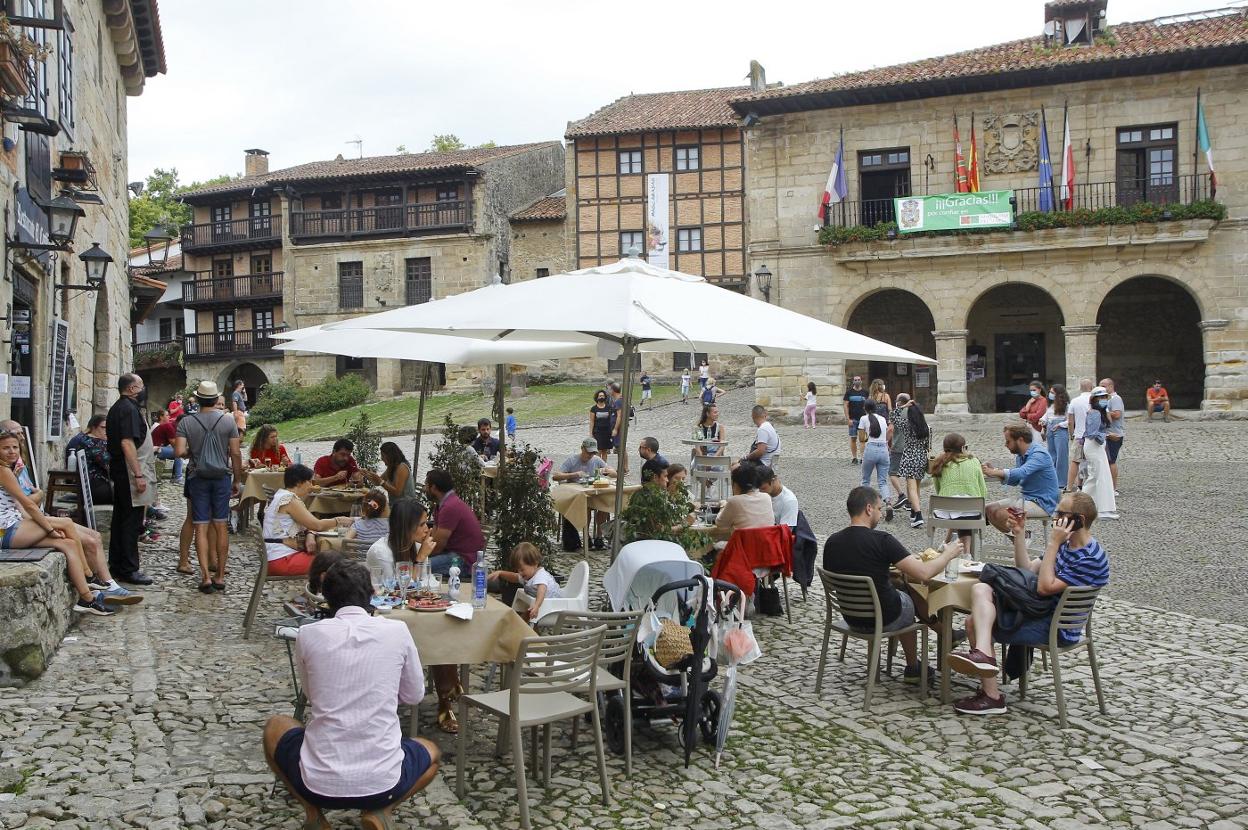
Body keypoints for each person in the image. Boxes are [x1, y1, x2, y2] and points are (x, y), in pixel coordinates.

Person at [262, 560, 440, 830]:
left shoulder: (308, 634)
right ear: (371, 594)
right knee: (432, 753)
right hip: (384, 782)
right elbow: (414, 695)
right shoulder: (397, 631)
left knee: (275, 726)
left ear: (326, 597)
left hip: (316, 784)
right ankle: (380, 811)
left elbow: (312, 694)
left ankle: (313, 814)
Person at [946, 491, 1108, 715]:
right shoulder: (1067, 545)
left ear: (1078, 520)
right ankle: (984, 656)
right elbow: (1027, 570)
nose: (1055, 517)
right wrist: (1019, 534)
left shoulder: (1089, 557)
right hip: (1041, 610)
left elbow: (1044, 587)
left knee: (974, 623)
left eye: (1061, 514)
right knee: (981, 588)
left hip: (1057, 627)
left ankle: (991, 696)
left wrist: (1053, 543)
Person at [823, 486, 963, 683]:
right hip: (882, 618)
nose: (881, 515)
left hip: (851, 617)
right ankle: (916, 664)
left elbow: (848, 573)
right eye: (879, 509)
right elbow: (924, 573)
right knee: (908, 596)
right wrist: (948, 554)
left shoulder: (832, 542)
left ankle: (942, 636)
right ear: (869, 509)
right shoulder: (883, 541)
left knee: (900, 585)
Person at [0, 428, 140, 613]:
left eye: (15, 447)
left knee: (68, 544)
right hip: (6, 529)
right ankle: (89, 575)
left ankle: (87, 599)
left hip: (15, 524)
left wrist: (46, 523)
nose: (12, 451)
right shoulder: (3, 471)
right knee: (65, 524)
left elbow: (21, 506)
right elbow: (28, 505)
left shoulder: (12, 470)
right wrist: (49, 529)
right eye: (5, 448)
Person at [365, 498, 462, 733]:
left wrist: (421, 563)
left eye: (427, 523)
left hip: (415, 614)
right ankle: (449, 690)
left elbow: (426, 584)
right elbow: (394, 591)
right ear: (406, 526)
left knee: (442, 630)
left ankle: (445, 698)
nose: (428, 529)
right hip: (385, 618)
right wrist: (419, 561)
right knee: (435, 634)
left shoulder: (417, 547)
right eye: (422, 524)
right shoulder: (381, 552)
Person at [175, 381, 244, 592]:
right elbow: (235, 453)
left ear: (198, 399)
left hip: (198, 477)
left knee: (201, 526)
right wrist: (237, 479)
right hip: (221, 477)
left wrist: (194, 451)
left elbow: (179, 452)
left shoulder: (187, 422)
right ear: (216, 399)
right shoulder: (228, 421)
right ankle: (220, 575)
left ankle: (205, 576)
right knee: (221, 525)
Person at [262, 464, 353, 582]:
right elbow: (317, 525)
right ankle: (326, 592)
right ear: (299, 483)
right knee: (335, 563)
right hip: (281, 559)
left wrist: (310, 534)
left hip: (275, 556)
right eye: (309, 482)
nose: (311, 486)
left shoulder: (281, 495)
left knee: (328, 559)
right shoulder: (289, 500)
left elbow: (308, 523)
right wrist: (339, 520)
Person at [106, 373, 155, 585]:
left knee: (121, 518)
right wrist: (138, 474)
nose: (143, 389)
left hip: (123, 471)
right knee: (130, 521)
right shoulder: (127, 409)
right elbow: (127, 443)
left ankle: (117, 564)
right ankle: (128, 568)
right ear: (132, 389)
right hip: (129, 472)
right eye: (141, 385)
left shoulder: (121, 407)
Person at [981, 424, 1061, 536]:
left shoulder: (1039, 454)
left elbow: (1021, 472)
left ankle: (1021, 540)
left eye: (1008, 441)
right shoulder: (1021, 455)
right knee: (987, 509)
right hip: (1027, 498)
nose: (1005, 445)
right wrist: (994, 471)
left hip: (1043, 502)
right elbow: (1016, 480)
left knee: (1000, 513)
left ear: (1020, 440)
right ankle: (1022, 538)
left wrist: (994, 472)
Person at [553, 439, 616, 548]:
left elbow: (614, 473)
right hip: (578, 495)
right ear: (582, 449)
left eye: (593, 453)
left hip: (594, 494)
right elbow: (555, 476)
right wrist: (574, 474)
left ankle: (599, 536)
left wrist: (608, 471)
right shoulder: (572, 460)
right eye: (588, 452)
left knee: (605, 504)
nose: (590, 455)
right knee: (585, 505)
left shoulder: (596, 460)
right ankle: (586, 536)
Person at [929, 433, 988, 548]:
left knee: (958, 508)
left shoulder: (939, 464)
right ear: (962, 448)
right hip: (972, 511)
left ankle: (947, 544)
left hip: (944, 512)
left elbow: (939, 490)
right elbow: (983, 491)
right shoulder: (974, 461)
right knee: (965, 509)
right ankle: (966, 553)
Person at [424, 469, 485, 573]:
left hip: (465, 560)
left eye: (426, 485)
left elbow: (438, 546)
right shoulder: (443, 504)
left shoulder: (450, 507)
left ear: (433, 488)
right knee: (420, 563)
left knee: (420, 567)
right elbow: (434, 539)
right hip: (456, 553)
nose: (424, 489)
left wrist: (419, 557)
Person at [489, 541, 562, 622]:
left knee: (527, 615)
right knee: (525, 615)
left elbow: (541, 591)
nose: (520, 572)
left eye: (522, 569)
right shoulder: (528, 575)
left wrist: (536, 605)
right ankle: (520, 626)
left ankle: (520, 626)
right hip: (539, 603)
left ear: (535, 563)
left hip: (554, 607)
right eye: (518, 570)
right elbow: (514, 577)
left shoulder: (541, 576)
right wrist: (501, 573)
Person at [707, 462, 774, 542]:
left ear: (736, 484)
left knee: (716, 545)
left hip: (742, 548)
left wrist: (723, 505)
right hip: (765, 547)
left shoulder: (734, 501)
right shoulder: (766, 497)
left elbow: (720, 525)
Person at [893, 394, 932, 529]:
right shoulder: (927, 428)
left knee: (911, 488)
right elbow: (928, 446)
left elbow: (893, 416)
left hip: (909, 457)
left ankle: (919, 515)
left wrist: (903, 406)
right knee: (917, 488)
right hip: (921, 458)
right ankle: (914, 513)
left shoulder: (906, 425)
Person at [1080, 386, 1119, 520]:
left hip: (1096, 446)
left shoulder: (1098, 412)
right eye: (1100, 397)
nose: (1103, 400)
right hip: (1094, 446)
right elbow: (1092, 433)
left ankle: (1082, 505)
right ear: (1094, 399)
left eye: (1104, 397)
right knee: (1102, 476)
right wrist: (1108, 435)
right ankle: (1104, 509)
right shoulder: (1095, 413)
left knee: (1093, 477)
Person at [67, 415, 113, 505]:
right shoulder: (93, 443)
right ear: (93, 427)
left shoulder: (85, 439)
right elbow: (109, 463)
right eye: (103, 427)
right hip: (95, 489)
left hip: (91, 488)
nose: (107, 431)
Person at [857, 400, 893, 513]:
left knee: (865, 479)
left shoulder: (863, 419)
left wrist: (867, 437)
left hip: (871, 448)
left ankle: (866, 504)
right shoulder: (882, 419)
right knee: (882, 481)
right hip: (883, 449)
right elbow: (886, 433)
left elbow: (861, 438)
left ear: (865, 408)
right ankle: (888, 502)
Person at [1066, 378, 1094, 491]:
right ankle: (1090, 486)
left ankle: (1069, 487)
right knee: (1092, 462)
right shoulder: (1094, 400)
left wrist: (1071, 434)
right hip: (1093, 436)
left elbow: (1070, 421)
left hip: (1079, 435)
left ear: (1080, 388)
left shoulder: (1074, 401)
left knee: (1075, 462)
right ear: (1091, 387)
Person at [1099, 377, 1125, 494]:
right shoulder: (1106, 399)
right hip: (1107, 434)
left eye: (1103, 386)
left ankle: (1113, 488)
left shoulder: (1115, 399)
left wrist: (1102, 413)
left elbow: (1117, 414)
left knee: (1111, 461)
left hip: (1114, 433)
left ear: (1111, 386)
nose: (1101, 388)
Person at [1043, 385, 1070, 490]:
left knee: (1061, 456)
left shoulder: (1066, 406)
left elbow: (1070, 420)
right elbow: (1046, 416)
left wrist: (1060, 424)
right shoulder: (1051, 405)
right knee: (1051, 455)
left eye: (1053, 393)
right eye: (1050, 392)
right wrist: (1043, 420)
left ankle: (1061, 481)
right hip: (1050, 428)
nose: (1050, 395)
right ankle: (1052, 479)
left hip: (1060, 429)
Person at [151, 409, 183, 484]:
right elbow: (175, 445)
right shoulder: (168, 426)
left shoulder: (168, 425)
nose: (169, 417)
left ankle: (175, 476)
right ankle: (177, 477)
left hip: (156, 449)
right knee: (178, 453)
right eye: (167, 415)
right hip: (155, 450)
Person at [843, 376, 867, 465]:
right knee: (853, 438)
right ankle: (854, 457)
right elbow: (845, 406)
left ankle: (862, 457)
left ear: (861, 381)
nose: (857, 381)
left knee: (862, 439)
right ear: (853, 382)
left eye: (859, 380)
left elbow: (868, 406)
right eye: (855, 380)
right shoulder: (849, 393)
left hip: (863, 419)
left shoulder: (865, 392)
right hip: (853, 419)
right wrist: (848, 419)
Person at [588, 390, 614, 457]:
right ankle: (598, 463)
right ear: (597, 397)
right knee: (598, 450)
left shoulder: (609, 408)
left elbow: (611, 420)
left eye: (603, 396)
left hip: (607, 432)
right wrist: (591, 434)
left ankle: (604, 463)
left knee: (605, 451)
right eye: (600, 396)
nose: (601, 397)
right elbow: (592, 421)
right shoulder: (594, 409)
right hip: (597, 432)